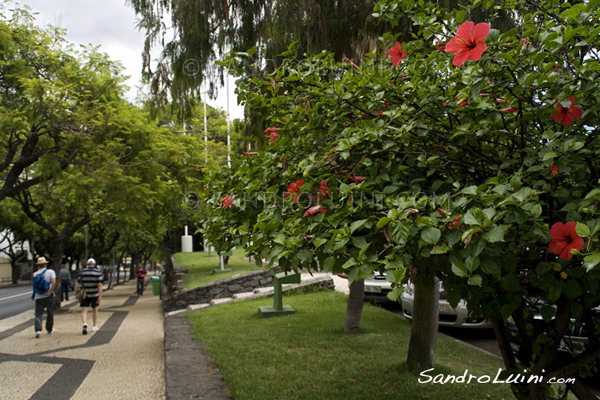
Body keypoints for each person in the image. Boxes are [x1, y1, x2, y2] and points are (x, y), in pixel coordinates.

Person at [32, 257, 56, 338]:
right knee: (50, 312)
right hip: (48, 296)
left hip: (38, 296)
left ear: (38, 265)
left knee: (38, 313)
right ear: (46, 264)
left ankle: (38, 329)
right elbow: (53, 281)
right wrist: (50, 291)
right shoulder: (50, 272)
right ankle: (49, 328)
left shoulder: (35, 274)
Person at [80, 258, 103, 335]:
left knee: (84, 310)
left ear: (87, 264)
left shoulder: (82, 272)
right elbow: (99, 284)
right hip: (94, 294)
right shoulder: (97, 272)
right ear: (94, 264)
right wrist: (99, 296)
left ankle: (84, 323)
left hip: (84, 294)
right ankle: (94, 325)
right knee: (95, 309)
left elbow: (79, 282)